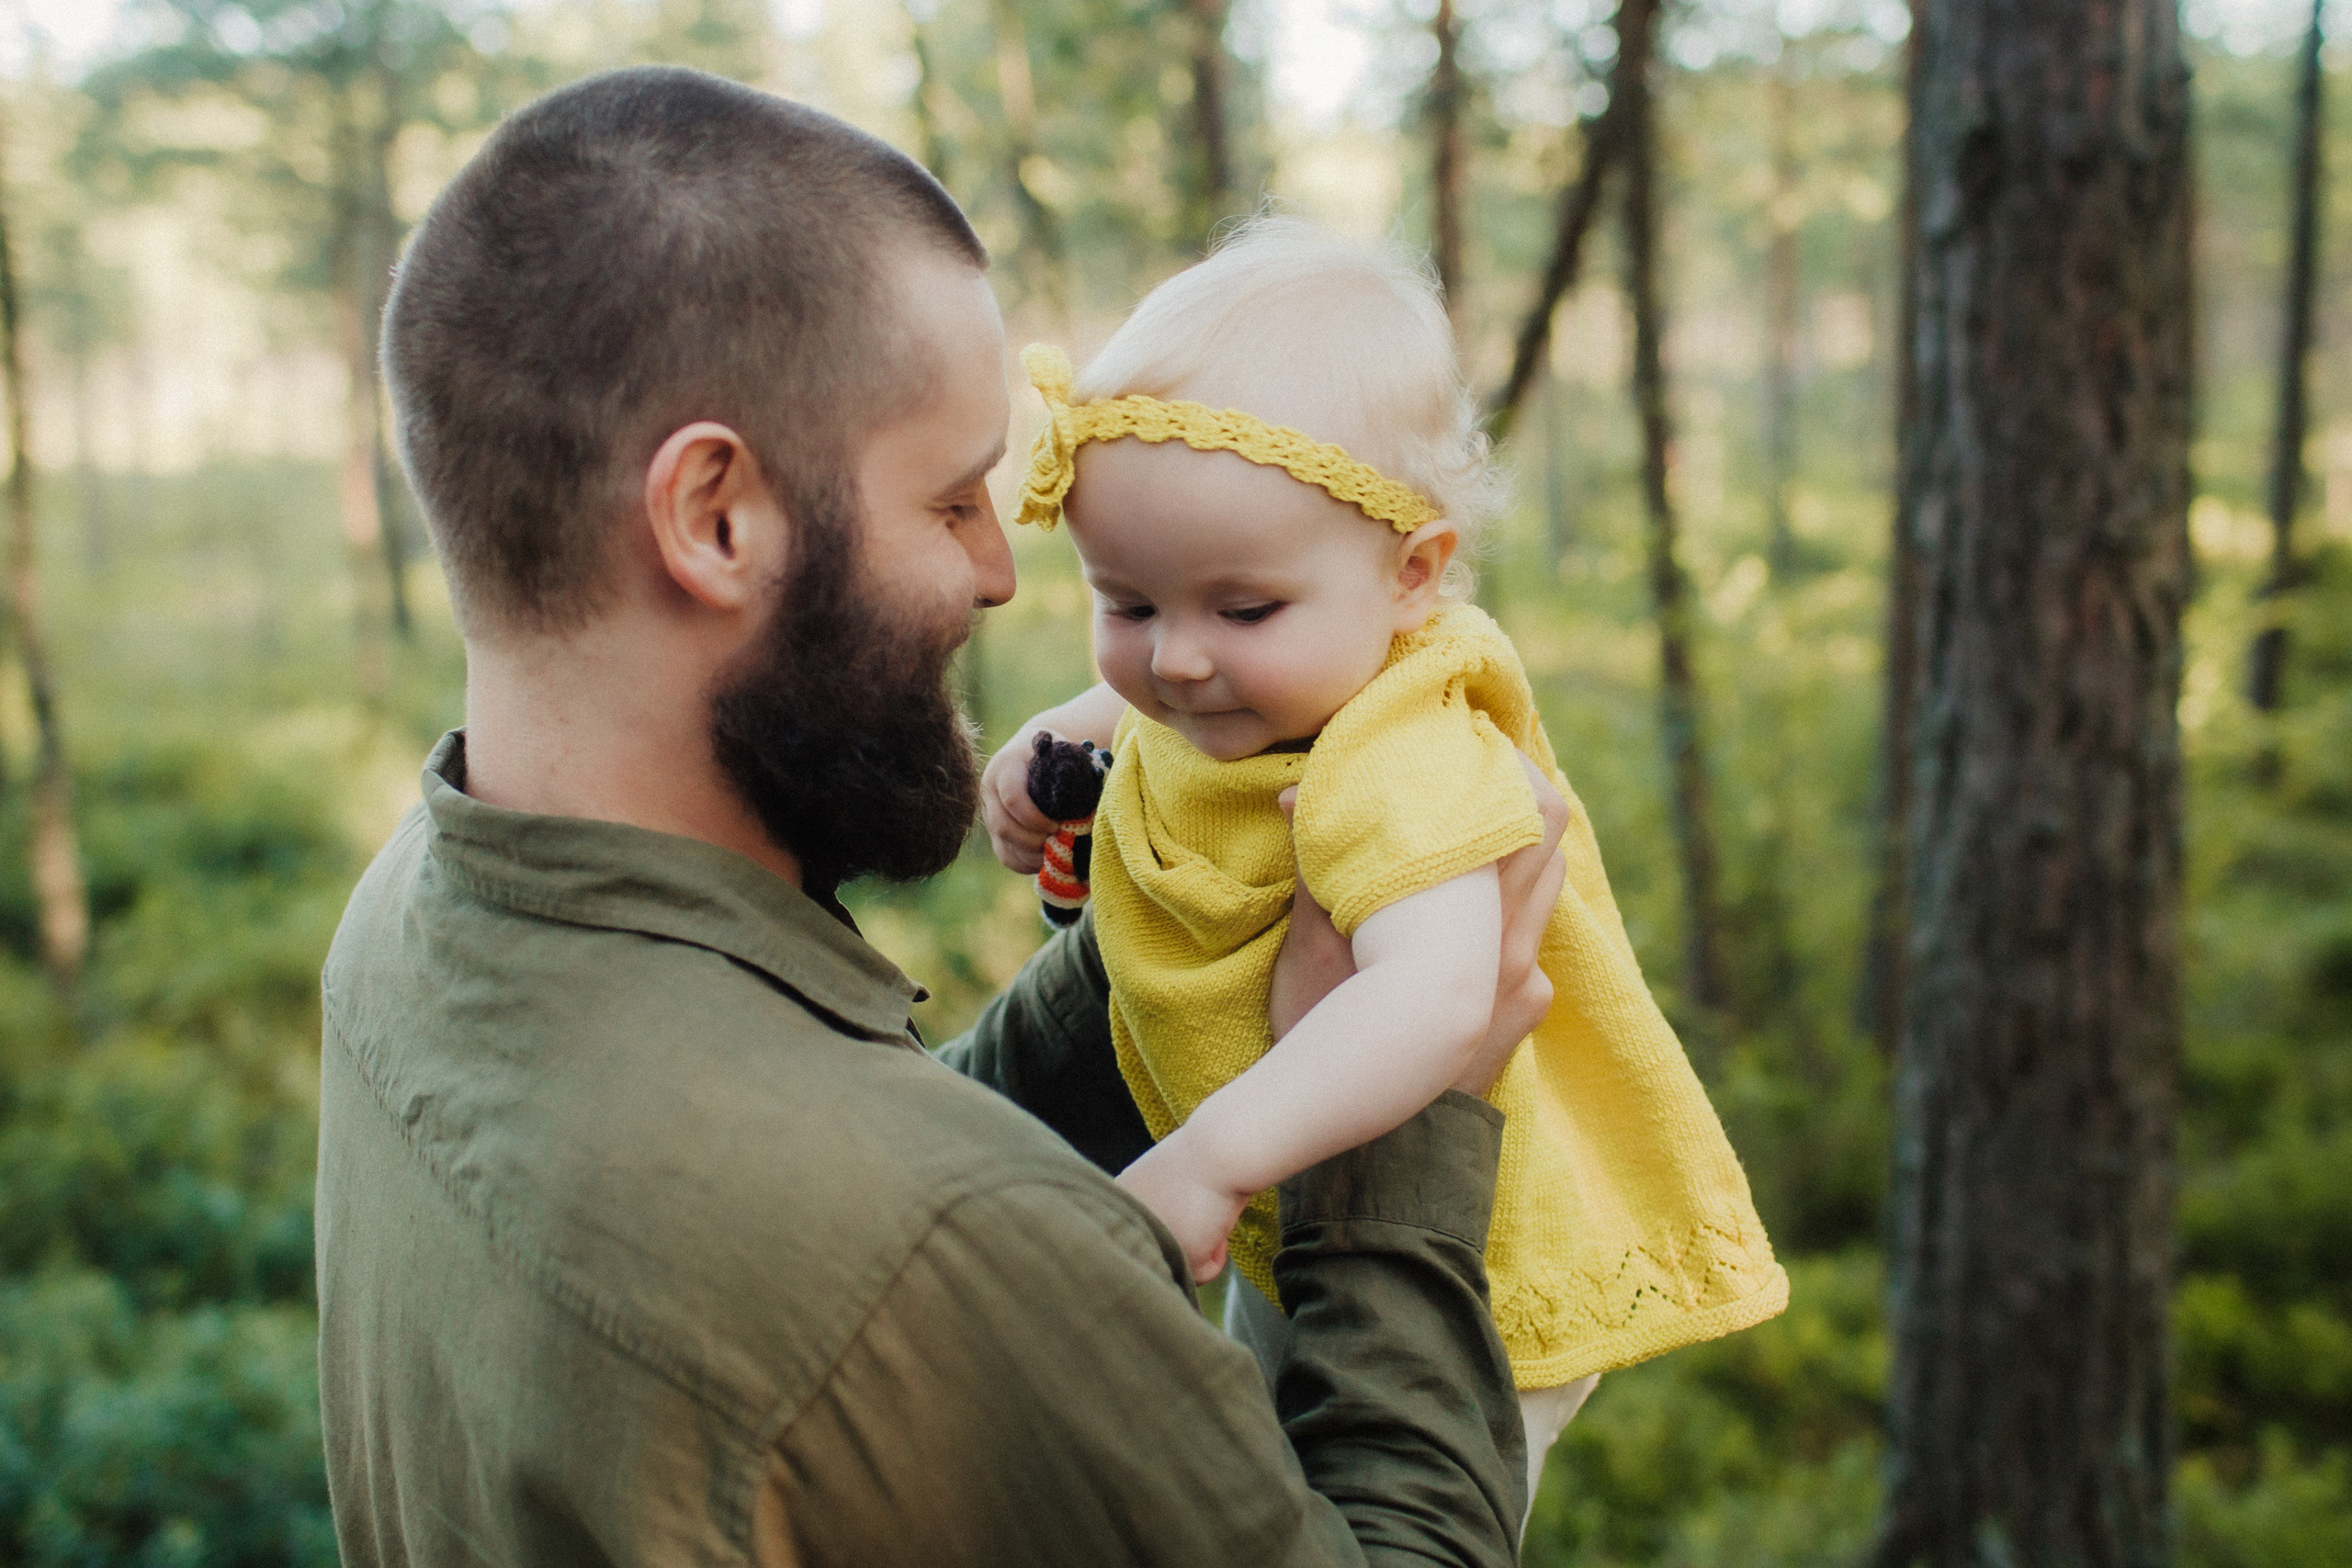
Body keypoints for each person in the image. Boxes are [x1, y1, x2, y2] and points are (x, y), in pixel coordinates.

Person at [315, 65, 1576, 1568]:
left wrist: (1185, 944)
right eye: (953, 499)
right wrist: (1398, 1122)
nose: (996, 573)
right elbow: (916, 1247)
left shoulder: (414, 920)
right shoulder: (930, 1254)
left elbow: (842, 1176)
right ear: (715, 516)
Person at [981, 220, 1791, 1506]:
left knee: (1357, 1493)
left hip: (1468, 1268)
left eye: (1242, 610)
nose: (1178, 660)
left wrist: (1210, 1162)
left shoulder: (1405, 756)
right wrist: (1046, 742)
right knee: (1256, 1462)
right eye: (1129, 601)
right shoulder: (1268, 677)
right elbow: (1139, 705)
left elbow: (1433, 1002)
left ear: (1411, 576)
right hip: (1299, 1210)